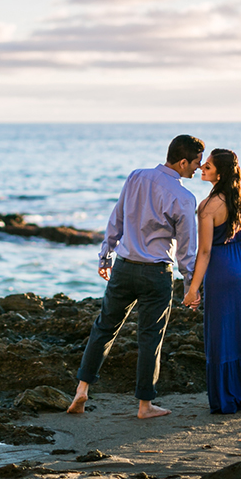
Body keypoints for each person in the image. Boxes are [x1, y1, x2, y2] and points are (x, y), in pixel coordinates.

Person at [68, 134, 204, 419]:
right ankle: (145, 405)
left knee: (103, 328)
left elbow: (116, 217)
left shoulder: (136, 177)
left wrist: (106, 254)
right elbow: (186, 250)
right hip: (156, 274)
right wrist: (191, 285)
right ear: (182, 162)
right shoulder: (184, 197)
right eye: (195, 163)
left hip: (124, 267)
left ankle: (82, 389)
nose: (196, 169)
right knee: (149, 339)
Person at [182, 149, 241, 414]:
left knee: (222, 334)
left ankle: (226, 399)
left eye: (208, 165)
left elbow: (204, 252)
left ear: (220, 173)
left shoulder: (207, 207)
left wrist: (193, 289)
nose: (202, 167)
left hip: (222, 271)